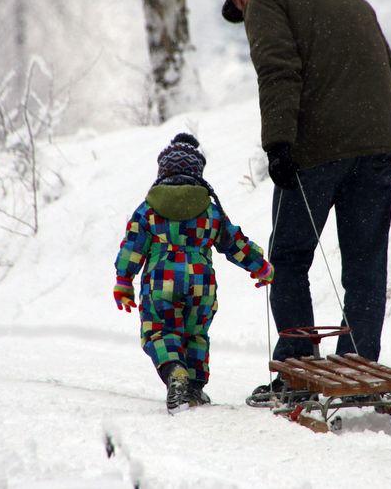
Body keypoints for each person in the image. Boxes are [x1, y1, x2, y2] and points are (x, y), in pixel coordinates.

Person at [220, 0, 391, 393]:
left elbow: (277, 72)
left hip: (316, 151)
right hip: (380, 149)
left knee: (288, 259)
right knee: (366, 264)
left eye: (240, 0)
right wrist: (378, 136)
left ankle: (297, 370)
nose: (245, 10)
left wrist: (278, 145)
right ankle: (359, 365)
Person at [113, 133, 273, 413]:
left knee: (161, 331)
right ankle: (195, 388)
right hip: (201, 284)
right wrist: (259, 265)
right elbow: (233, 241)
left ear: (163, 170)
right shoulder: (209, 210)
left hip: (161, 282)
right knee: (195, 333)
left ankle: (176, 372)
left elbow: (133, 246)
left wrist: (124, 280)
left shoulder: (149, 208)